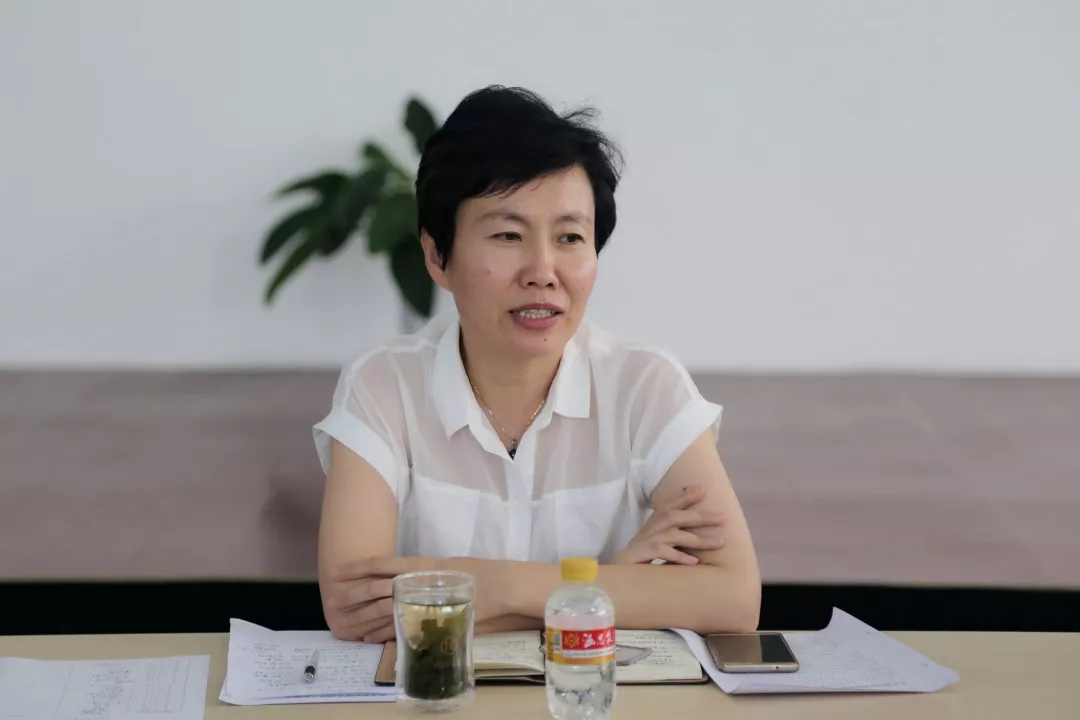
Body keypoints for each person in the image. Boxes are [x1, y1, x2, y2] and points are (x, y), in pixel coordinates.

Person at [313, 86, 761, 644]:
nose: (543, 271)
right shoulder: (383, 385)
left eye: (570, 237)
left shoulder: (646, 386)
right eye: (508, 235)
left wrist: (495, 587)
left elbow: (734, 599)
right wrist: (606, 585)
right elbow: (358, 610)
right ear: (437, 256)